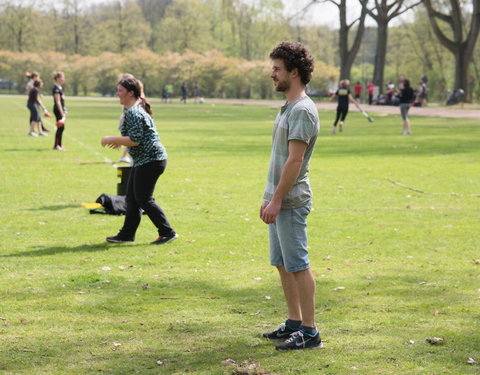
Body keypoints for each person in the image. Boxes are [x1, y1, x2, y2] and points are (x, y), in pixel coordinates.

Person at [260, 41, 322, 351]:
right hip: (278, 198)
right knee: (283, 263)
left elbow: (294, 161)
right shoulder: (288, 107)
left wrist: (278, 199)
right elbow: (279, 158)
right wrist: (268, 196)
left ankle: (310, 333)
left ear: (294, 72)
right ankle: (294, 322)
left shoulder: (302, 110)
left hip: (292, 201)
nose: (271, 74)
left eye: (277, 69)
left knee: (297, 264)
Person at [101, 77, 178, 245]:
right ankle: (127, 234)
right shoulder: (132, 110)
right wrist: (120, 141)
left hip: (151, 160)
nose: (117, 94)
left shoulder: (134, 112)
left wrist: (111, 138)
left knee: (144, 199)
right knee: (132, 199)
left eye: (120, 91)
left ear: (131, 93)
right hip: (144, 160)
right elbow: (135, 138)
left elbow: (135, 140)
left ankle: (167, 232)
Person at [52, 71, 67, 151]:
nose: (63, 79)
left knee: (61, 128)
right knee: (60, 127)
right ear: (57, 78)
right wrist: (62, 112)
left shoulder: (60, 87)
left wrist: (65, 110)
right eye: (62, 77)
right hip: (58, 110)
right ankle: (56, 146)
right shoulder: (56, 88)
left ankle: (59, 145)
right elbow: (58, 102)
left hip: (61, 109)